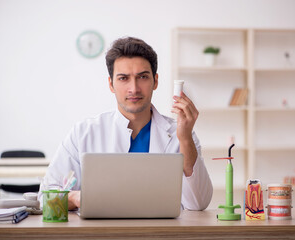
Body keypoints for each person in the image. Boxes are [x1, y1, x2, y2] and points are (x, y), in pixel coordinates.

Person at [38, 37, 213, 211]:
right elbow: (45, 198)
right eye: (123, 78)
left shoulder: (181, 134)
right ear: (111, 84)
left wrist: (184, 139)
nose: (134, 89)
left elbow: (198, 204)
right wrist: (77, 197)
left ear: (155, 81)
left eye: (143, 77)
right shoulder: (84, 132)